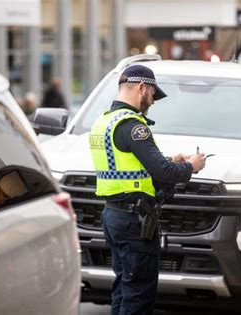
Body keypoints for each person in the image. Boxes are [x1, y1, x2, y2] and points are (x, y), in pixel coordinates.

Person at [89, 64, 206, 314]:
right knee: (138, 296)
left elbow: (130, 166)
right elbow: (162, 173)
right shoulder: (134, 126)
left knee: (123, 288)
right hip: (134, 222)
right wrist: (191, 167)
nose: (152, 101)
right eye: (153, 94)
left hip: (113, 216)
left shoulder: (104, 121)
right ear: (142, 87)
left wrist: (172, 160)